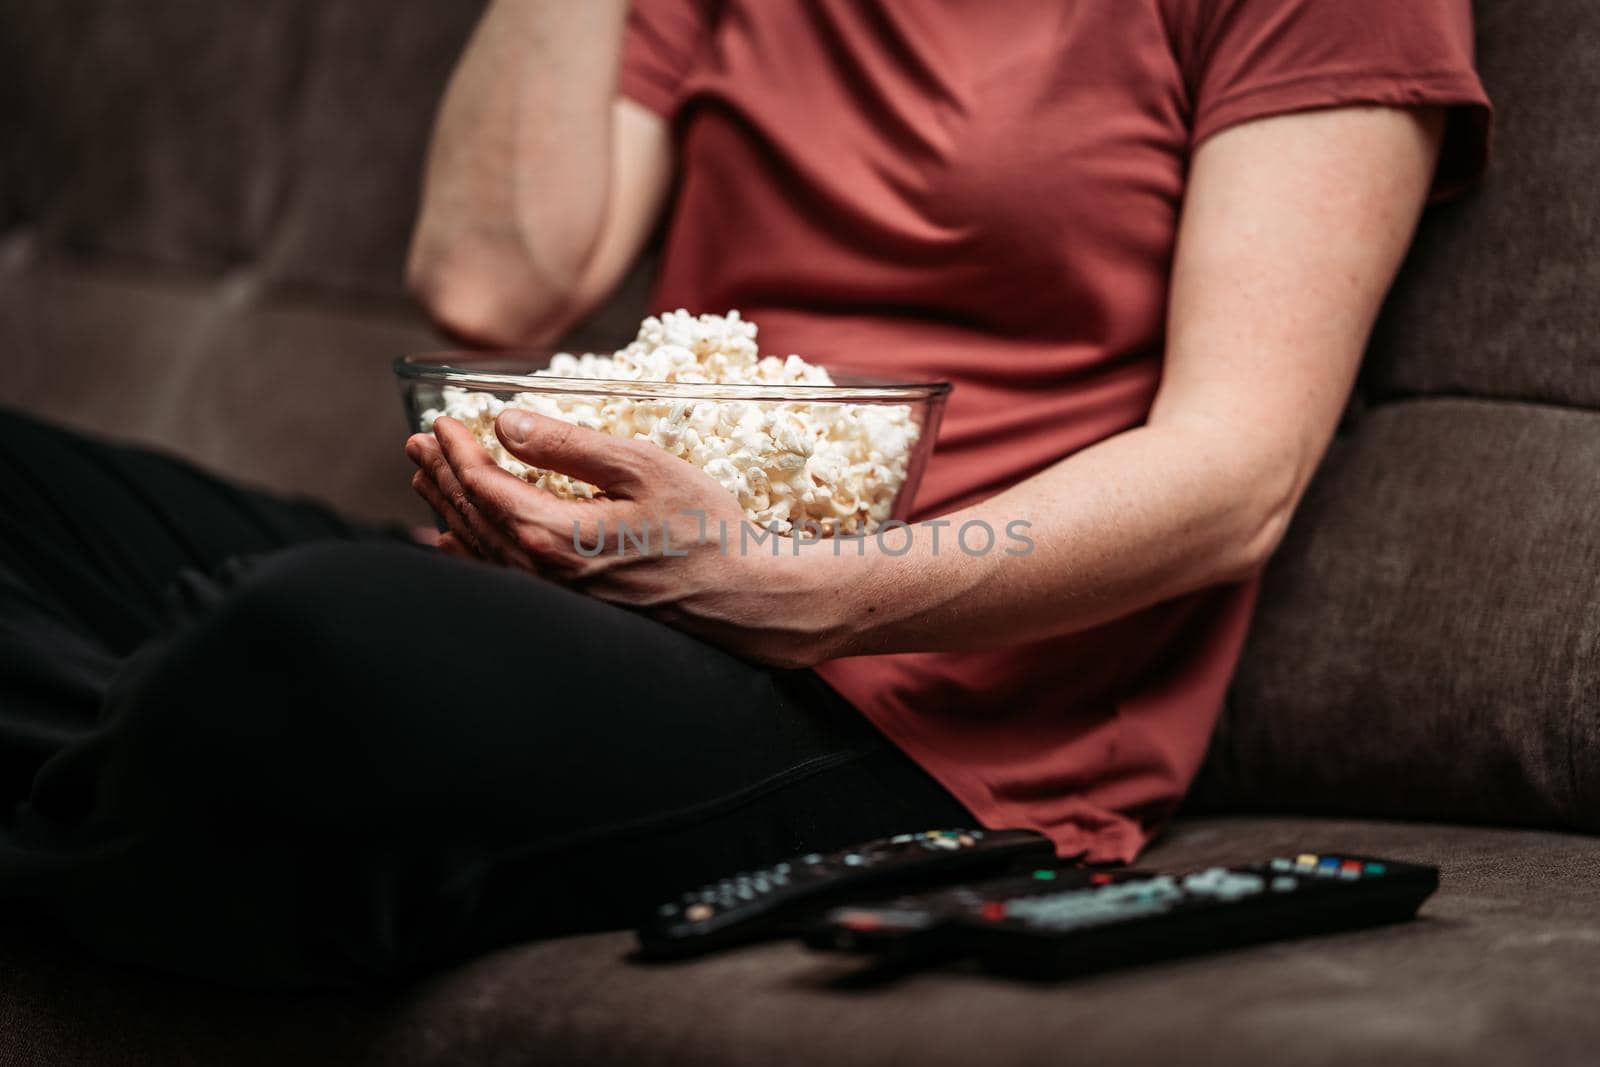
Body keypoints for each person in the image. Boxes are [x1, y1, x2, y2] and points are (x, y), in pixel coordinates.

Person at [0, 0, 1490, 988]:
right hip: (573, 597)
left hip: (902, 714)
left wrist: (786, 593)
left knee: (311, 639)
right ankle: (200, 778)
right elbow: (494, 274)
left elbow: (1237, 472)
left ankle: (192, 760)